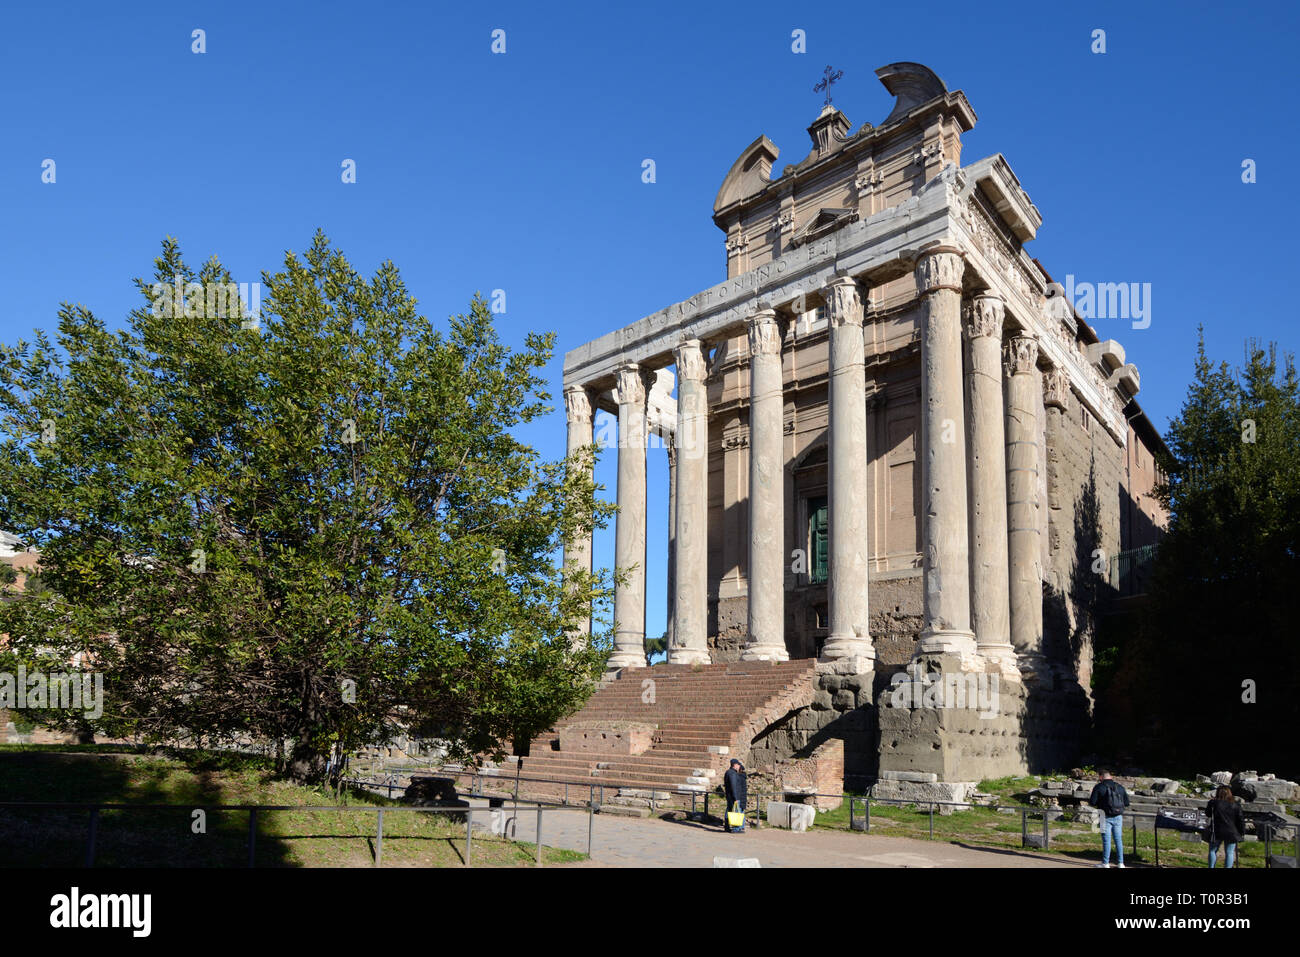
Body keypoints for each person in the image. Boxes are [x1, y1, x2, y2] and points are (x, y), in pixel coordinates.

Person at [1088, 770, 1130, 868]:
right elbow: (1127, 803)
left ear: (1101, 777)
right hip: (1118, 816)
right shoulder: (1120, 787)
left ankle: (1105, 863)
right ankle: (1121, 863)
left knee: (1106, 841)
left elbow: (1092, 802)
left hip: (1103, 816)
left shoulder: (1099, 787)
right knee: (1118, 839)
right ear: (1110, 776)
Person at [1206, 785, 1246, 868]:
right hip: (1232, 831)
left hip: (1217, 830)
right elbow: (1240, 819)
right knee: (1230, 852)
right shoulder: (1235, 804)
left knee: (1212, 851)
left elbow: (1208, 814)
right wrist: (1242, 831)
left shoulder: (1213, 803)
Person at [723, 758, 747, 833]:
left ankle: (727, 827)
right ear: (735, 765)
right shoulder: (732, 773)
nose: (739, 766)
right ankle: (736, 829)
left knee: (729, 811)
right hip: (734, 796)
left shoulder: (728, 772)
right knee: (736, 812)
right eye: (738, 764)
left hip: (730, 796)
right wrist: (736, 797)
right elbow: (734, 786)